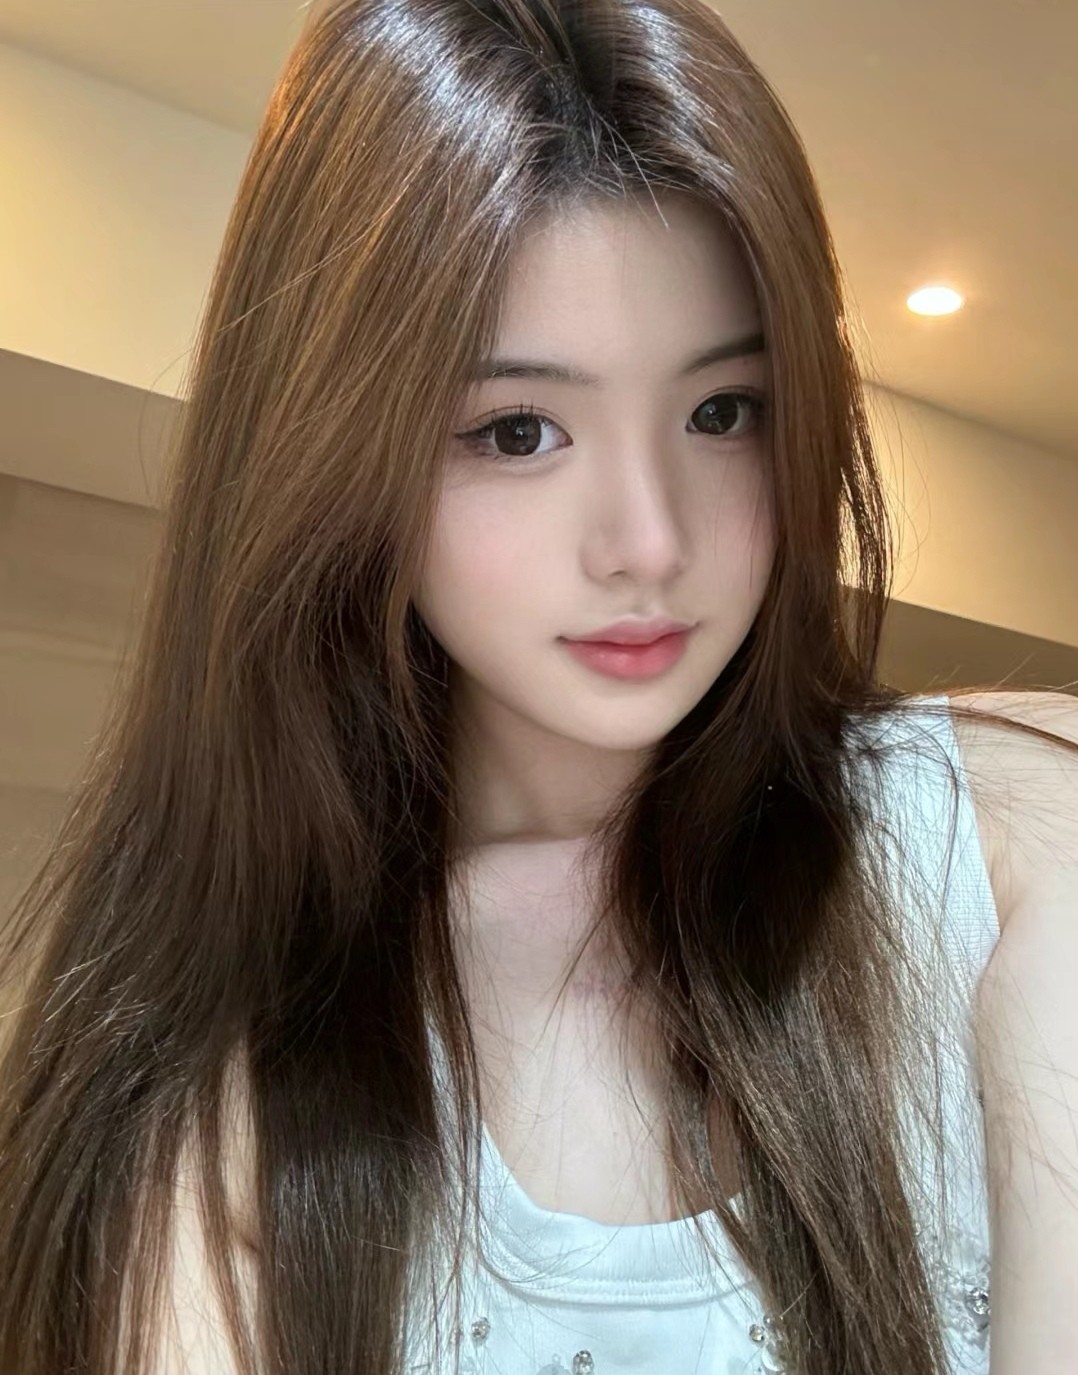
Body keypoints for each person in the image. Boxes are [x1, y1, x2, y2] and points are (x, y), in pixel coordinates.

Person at [0, 0, 1075, 1371]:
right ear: (337, 458)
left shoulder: (1005, 842)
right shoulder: (225, 1080)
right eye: (517, 431)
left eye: (723, 412)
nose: (648, 543)